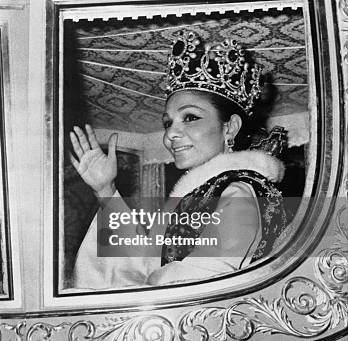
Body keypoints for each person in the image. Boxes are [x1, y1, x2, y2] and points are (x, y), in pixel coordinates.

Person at [70, 31, 288, 289]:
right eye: (167, 122)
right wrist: (106, 190)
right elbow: (144, 264)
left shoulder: (240, 191)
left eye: (190, 117)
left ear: (230, 128)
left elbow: (201, 282)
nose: (171, 133)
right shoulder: (201, 194)